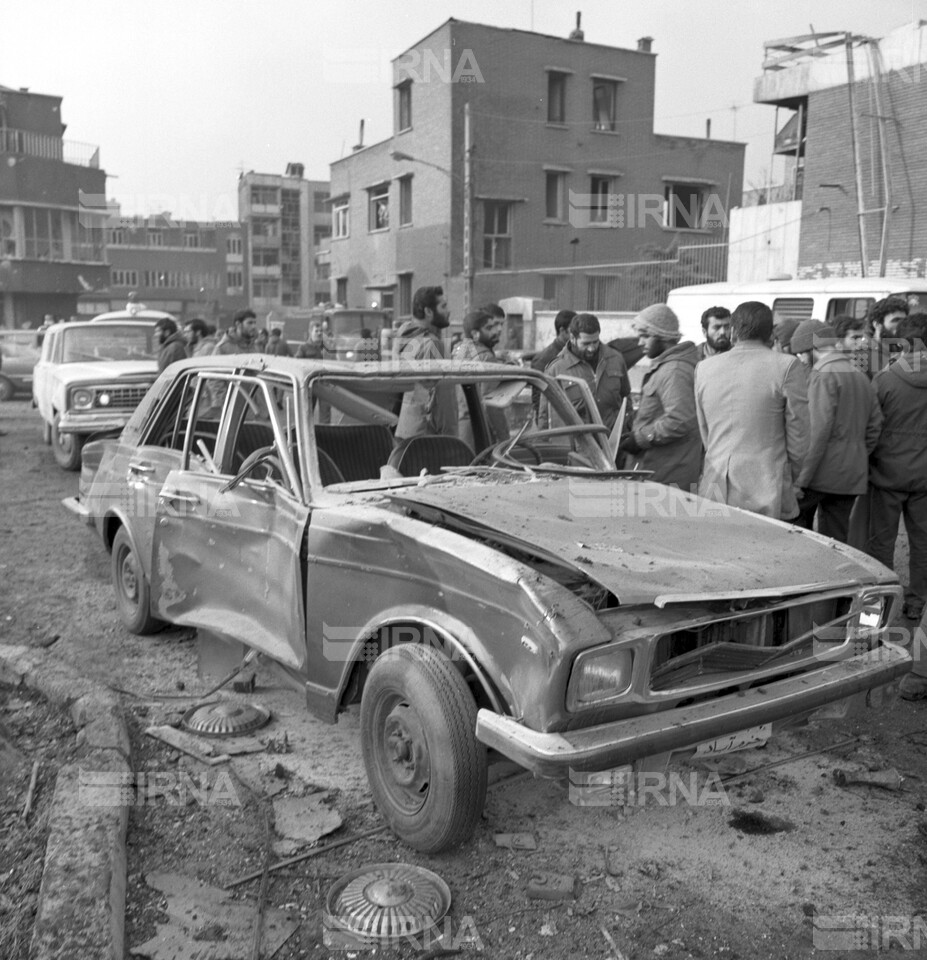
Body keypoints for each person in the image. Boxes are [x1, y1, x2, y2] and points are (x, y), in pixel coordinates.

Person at [695, 301, 809, 520]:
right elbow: (799, 434)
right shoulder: (787, 366)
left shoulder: (704, 368)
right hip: (767, 486)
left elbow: (705, 431)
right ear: (770, 333)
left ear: (733, 332)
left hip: (715, 483)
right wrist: (788, 475)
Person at [794, 317, 882, 542]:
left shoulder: (823, 376)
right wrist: (856, 454)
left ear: (814, 348)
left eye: (802, 353)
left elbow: (817, 433)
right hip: (851, 474)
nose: (802, 360)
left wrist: (800, 480)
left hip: (819, 476)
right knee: (836, 540)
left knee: (797, 532)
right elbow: (874, 427)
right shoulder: (860, 375)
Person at [866, 312, 927, 623]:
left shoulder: (885, 380)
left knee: (881, 542)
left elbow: (872, 428)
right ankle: (917, 603)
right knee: (922, 543)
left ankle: (876, 609)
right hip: (925, 479)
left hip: (886, 474)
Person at [618, 304, 701, 489]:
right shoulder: (669, 366)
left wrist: (640, 439)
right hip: (659, 470)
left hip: (665, 474)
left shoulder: (674, 370)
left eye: (645, 336)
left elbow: (679, 420)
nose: (640, 343)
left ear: (663, 336)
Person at [540, 313, 630, 431]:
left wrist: (627, 426)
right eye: (586, 343)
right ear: (572, 338)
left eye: (595, 342)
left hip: (614, 442)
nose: (592, 348)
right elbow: (545, 416)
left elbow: (626, 398)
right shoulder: (555, 370)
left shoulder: (616, 359)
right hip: (580, 445)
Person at [395, 286, 456, 439]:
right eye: (443, 306)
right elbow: (443, 401)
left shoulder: (404, 336)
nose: (448, 311)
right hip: (428, 436)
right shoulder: (433, 345)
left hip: (404, 427)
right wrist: (451, 438)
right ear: (428, 311)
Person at [452, 308, 505, 449]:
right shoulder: (486, 358)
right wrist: (505, 438)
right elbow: (491, 404)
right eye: (489, 328)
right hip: (478, 433)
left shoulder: (457, 352)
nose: (495, 331)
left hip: (456, 430)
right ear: (475, 334)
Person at [866, 295, 908, 376]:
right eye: (896, 320)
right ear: (877, 324)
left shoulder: (908, 349)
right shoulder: (861, 354)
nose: (901, 325)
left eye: (904, 320)